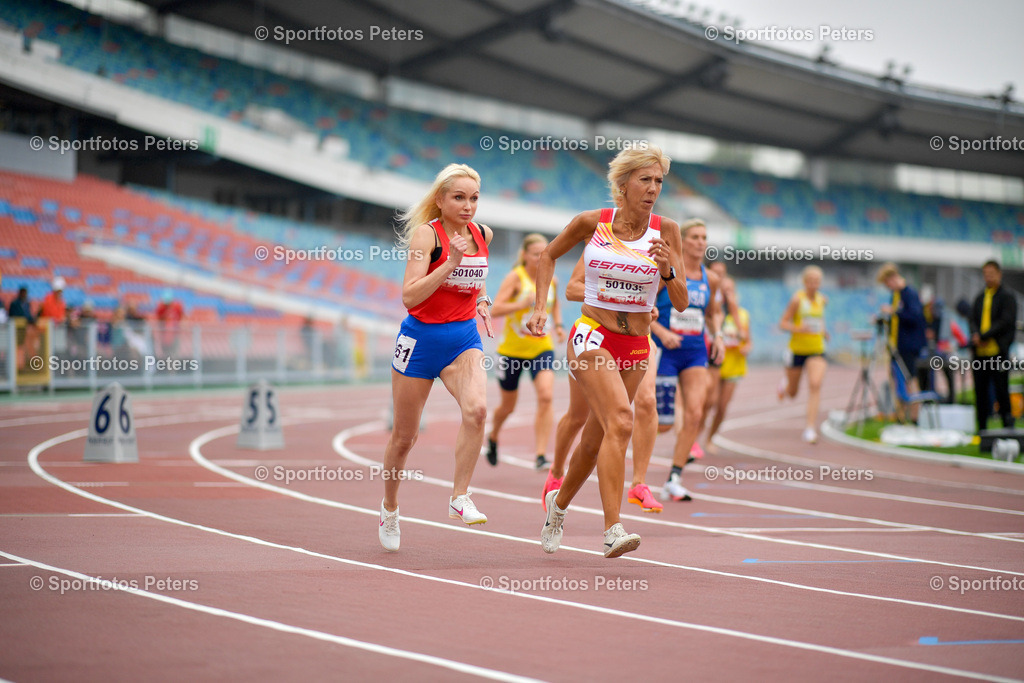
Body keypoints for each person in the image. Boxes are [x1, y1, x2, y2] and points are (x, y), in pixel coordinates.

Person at [527, 145, 687, 558]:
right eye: (645, 180)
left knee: (596, 441)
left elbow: (682, 301)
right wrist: (540, 308)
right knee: (622, 419)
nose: (653, 189)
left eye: (659, 182)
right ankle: (613, 528)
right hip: (591, 336)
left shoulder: (667, 230)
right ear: (623, 184)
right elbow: (547, 255)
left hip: (635, 345)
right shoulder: (591, 223)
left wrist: (668, 269)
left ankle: (557, 507)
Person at [378, 163, 495, 552]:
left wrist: (481, 299)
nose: (468, 206)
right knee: (404, 437)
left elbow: (477, 279)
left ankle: (459, 496)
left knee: (477, 411)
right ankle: (390, 507)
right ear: (441, 200)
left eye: (474, 198)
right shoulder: (427, 236)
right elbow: (409, 297)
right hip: (420, 341)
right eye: (459, 198)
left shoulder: (483, 234)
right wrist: (449, 264)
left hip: (463, 338)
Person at [543, 255, 663, 514]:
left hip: (638, 341)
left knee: (643, 404)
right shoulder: (599, 245)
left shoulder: (655, 246)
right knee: (579, 417)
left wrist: (650, 304)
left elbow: (672, 298)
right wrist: (620, 297)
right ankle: (556, 473)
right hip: (596, 338)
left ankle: (638, 484)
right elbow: (572, 289)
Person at [653, 219, 723, 502]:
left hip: (695, 351)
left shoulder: (711, 279)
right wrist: (660, 331)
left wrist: (717, 336)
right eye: (694, 236)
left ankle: (674, 478)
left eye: (704, 237)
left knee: (695, 412)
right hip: (664, 351)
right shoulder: (665, 272)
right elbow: (643, 308)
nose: (700, 242)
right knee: (664, 422)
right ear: (682, 241)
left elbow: (713, 312)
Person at [486, 233, 566, 470]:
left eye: (545, 254)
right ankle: (493, 435)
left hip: (542, 348)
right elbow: (495, 309)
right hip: (511, 352)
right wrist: (521, 304)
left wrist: (559, 326)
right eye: (535, 254)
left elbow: (556, 304)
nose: (541, 258)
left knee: (546, 396)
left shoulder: (552, 279)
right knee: (508, 406)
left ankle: (541, 454)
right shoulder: (515, 277)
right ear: (524, 255)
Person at [778, 265, 829, 444]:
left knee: (815, 384)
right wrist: (798, 328)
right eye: (811, 281)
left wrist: (824, 331)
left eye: (817, 281)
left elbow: (820, 319)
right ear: (805, 282)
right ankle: (785, 384)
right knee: (793, 393)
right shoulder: (797, 300)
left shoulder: (823, 300)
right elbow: (782, 323)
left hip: (816, 349)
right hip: (797, 350)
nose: (814, 284)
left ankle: (810, 428)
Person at [968, 260, 1017, 432]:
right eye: (985, 274)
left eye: (991, 274)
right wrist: (976, 337)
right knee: (980, 393)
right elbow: (972, 319)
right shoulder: (980, 297)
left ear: (999, 274)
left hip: (998, 353)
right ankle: (981, 431)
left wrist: (984, 336)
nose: (988, 277)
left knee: (1002, 392)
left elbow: (1005, 322)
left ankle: (1008, 430)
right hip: (980, 354)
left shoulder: (1007, 297)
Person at [705, 277, 751, 450]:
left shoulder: (743, 315)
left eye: (730, 290)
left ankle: (710, 438)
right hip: (716, 363)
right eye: (724, 290)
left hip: (734, 366)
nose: (727, 294)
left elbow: (746, 339)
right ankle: (695, 436)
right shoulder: (715, 313)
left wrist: (746, 347)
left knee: (722, 407)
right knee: (709, 402)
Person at [877, 263, 928, 402]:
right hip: (897, 345)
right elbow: (896, 318)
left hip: (909, 346)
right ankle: (902, 415)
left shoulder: (909, 293)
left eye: (887, 284)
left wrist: (894, 311)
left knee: (910, 379)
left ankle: (914, 417)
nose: (888, 288)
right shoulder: (896, 295)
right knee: (899, 380)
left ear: (892, 278)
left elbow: (916, 317)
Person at [155, 289, 185, 357]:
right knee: (165, 353)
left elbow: (180, 317)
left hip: (174, 334)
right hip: (165, 335)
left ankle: (173, 366)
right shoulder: (161, 308)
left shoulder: (177, 307)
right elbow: (159, 319)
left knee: (174, 354)